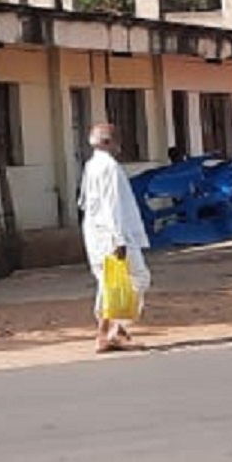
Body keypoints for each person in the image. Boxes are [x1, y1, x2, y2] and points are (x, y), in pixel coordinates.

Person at [78, 121, 152, 354]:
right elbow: (111, 206)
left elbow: (84, 202)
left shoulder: (91, 165)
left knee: (108, 284)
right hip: (113, 235)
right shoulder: (109, 167)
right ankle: (117, 329)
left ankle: (105, 333)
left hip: (96, 233)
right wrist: (118, 239)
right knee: (138, 277)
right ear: (109, 142)